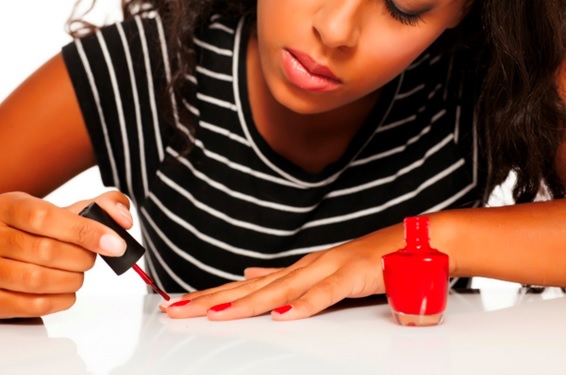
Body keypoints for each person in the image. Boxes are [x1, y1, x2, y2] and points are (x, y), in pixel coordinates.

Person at [0, 0, 565, 321]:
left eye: (404, 5)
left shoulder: (495, 82)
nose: (335, 29)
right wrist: (16, 254)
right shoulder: (143, 71)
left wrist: (427, 240)